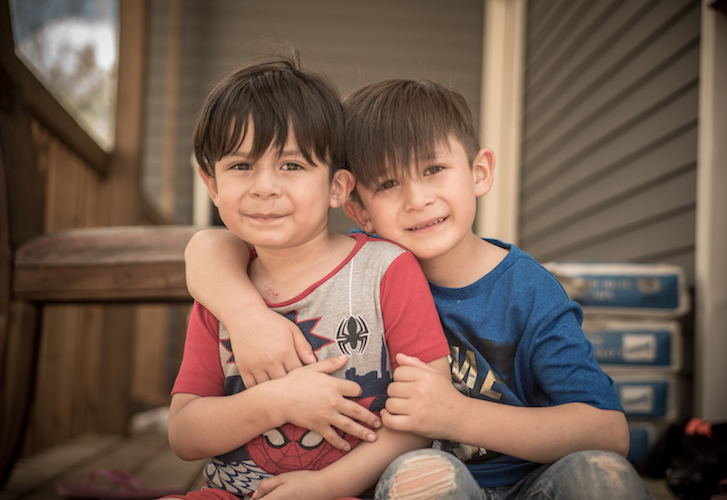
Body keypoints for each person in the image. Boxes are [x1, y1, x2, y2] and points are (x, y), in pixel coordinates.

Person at [184, 77, 653, 500]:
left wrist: (457, 417)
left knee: (599, 474)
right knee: (422, 474)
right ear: (359, 209)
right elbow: (208, 248)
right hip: (415, 477)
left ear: (479, 171)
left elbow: (608, 432)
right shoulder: (356, 269)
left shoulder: (527, 289)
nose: (417, 199)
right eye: (388, 183)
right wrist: (245, 315)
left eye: (433, 170)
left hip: (535, 483)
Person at [167, 58, 451, 500]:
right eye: (241, 166)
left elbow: (424, 418)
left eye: (292, 166)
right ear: (212, 184)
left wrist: (323, 486)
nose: (264, 187)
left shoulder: (385, 272)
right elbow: (184, 434)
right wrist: (277, 401)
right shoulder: (222, 292)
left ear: (338, 187)